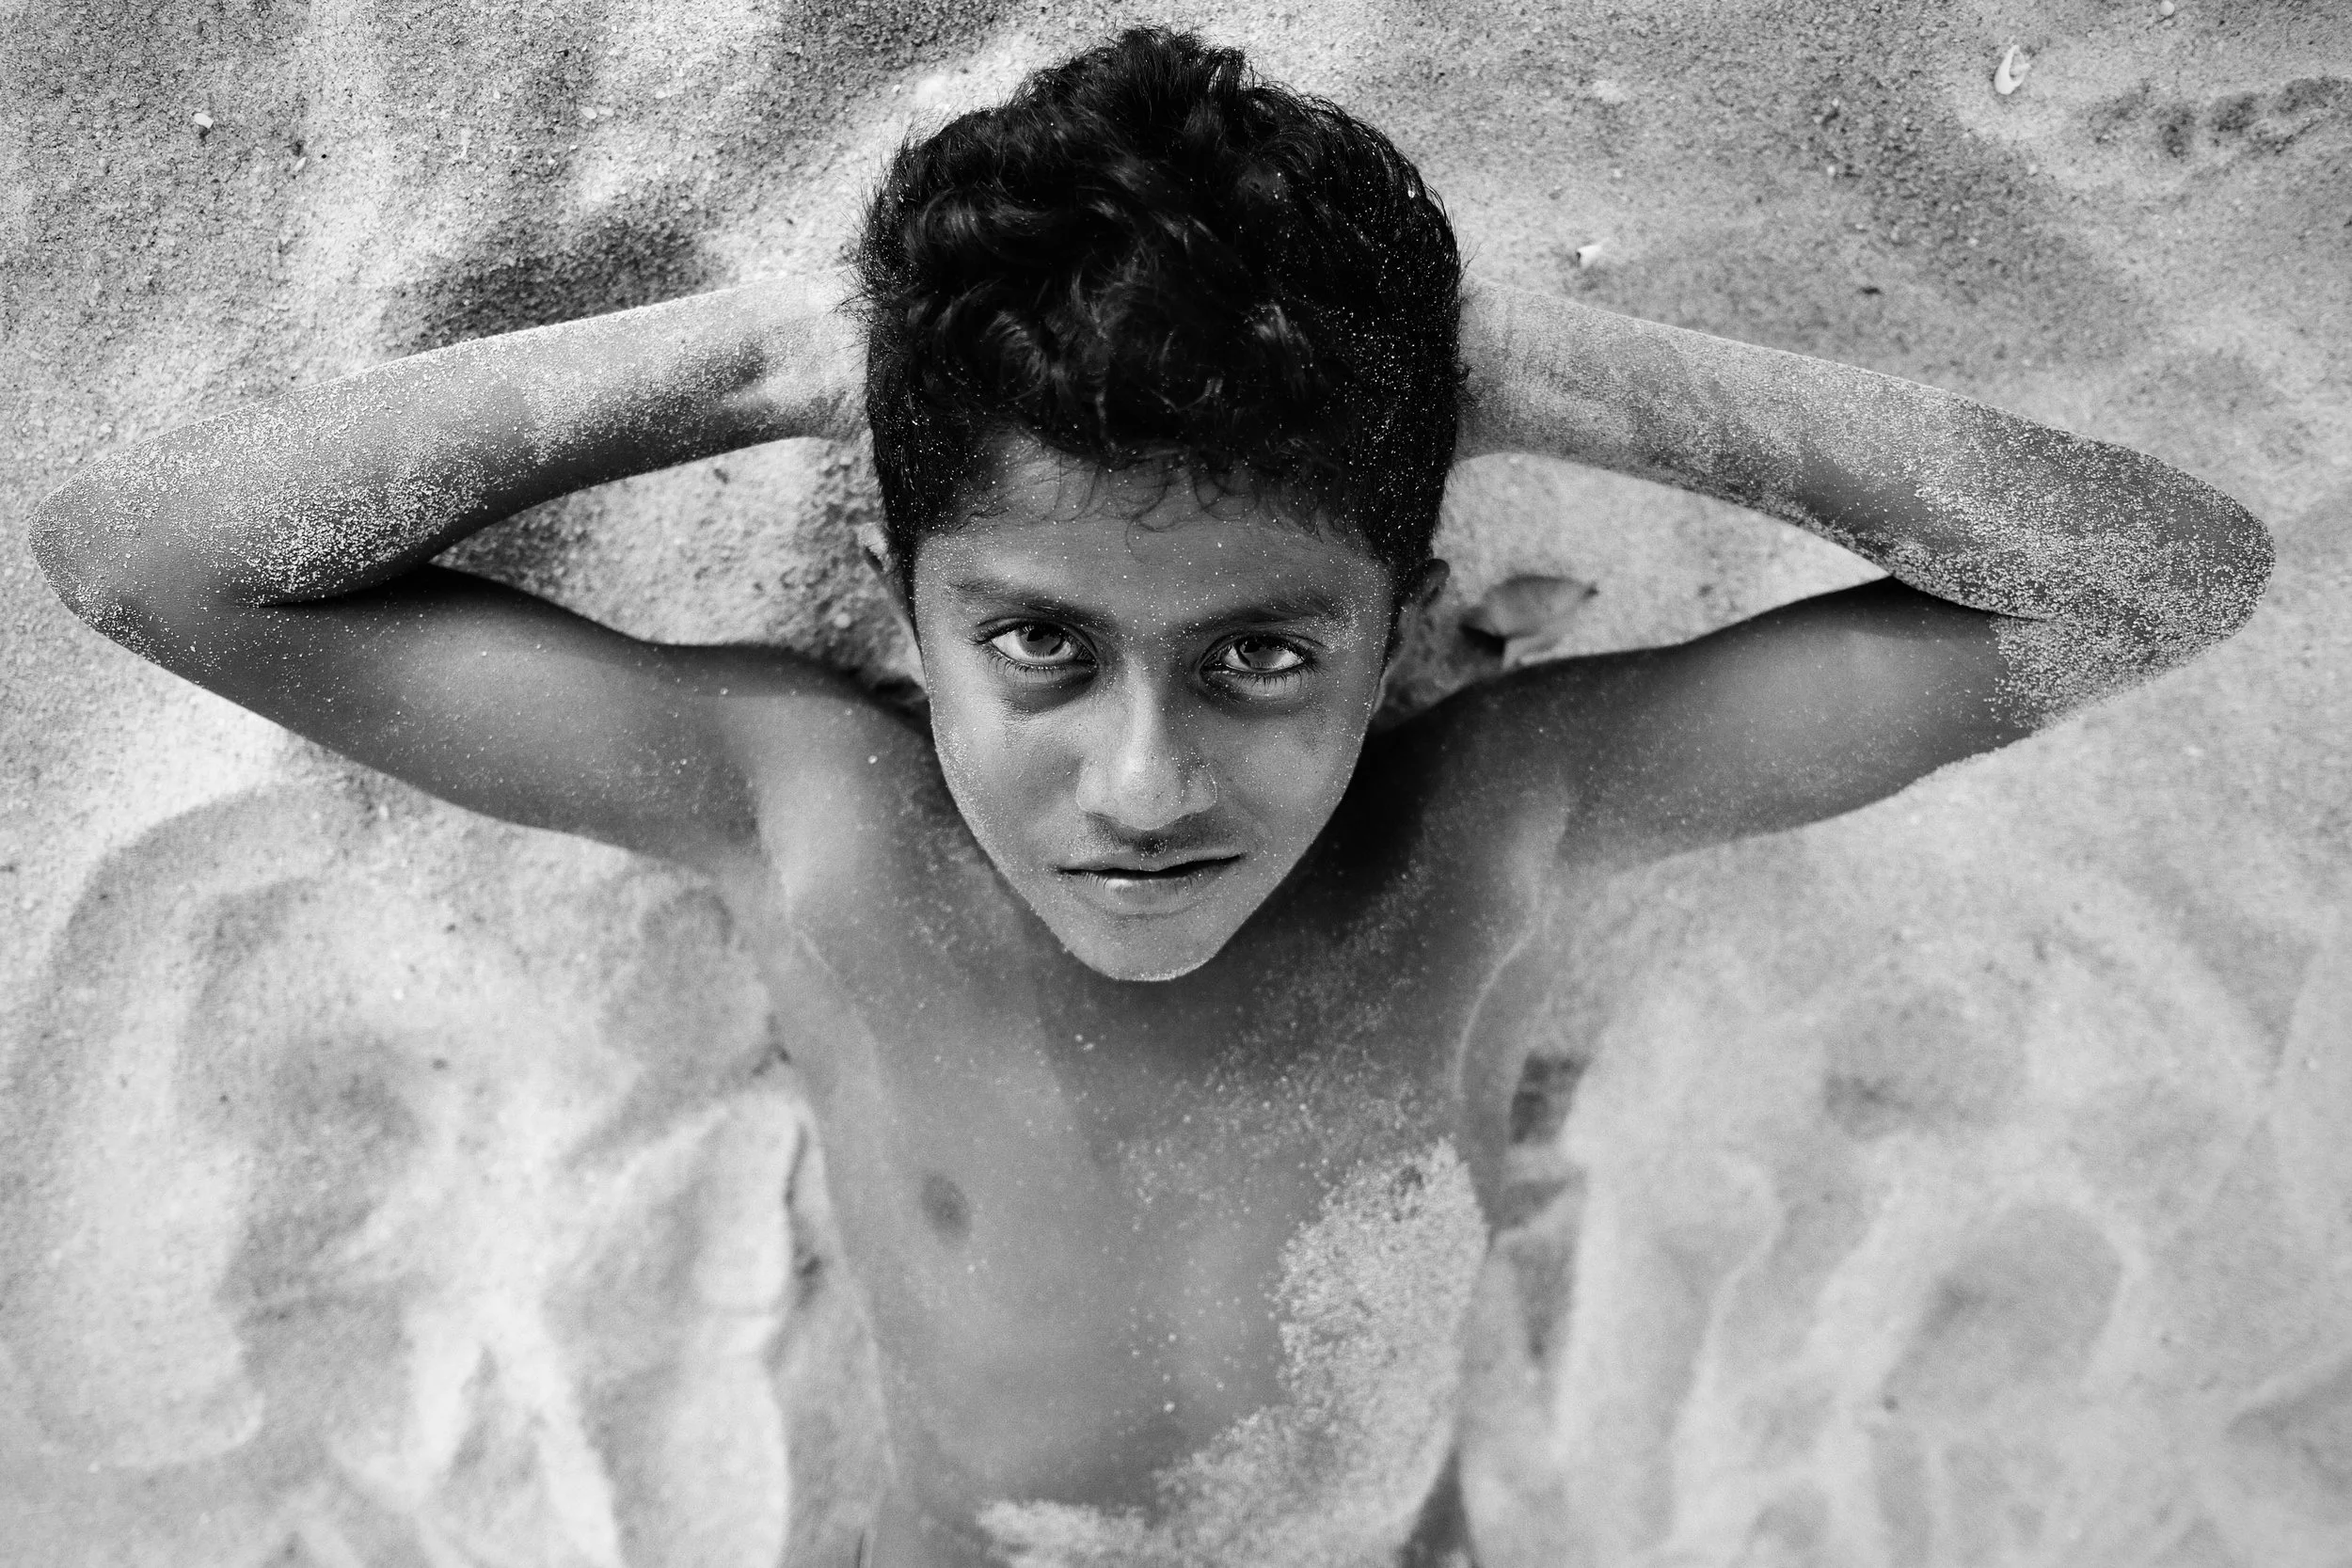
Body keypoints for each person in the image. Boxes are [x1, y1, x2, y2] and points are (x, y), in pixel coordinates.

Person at [29, 25, 2270, 1567]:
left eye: (1262, 653)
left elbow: (2156, 577)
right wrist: (786, 358)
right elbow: (145, 555)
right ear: (906, 618)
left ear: (1399, 626)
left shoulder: (1497, 824)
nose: (1141, 778)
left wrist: (1529, 375)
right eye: (1037, 642)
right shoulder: (806, 813)